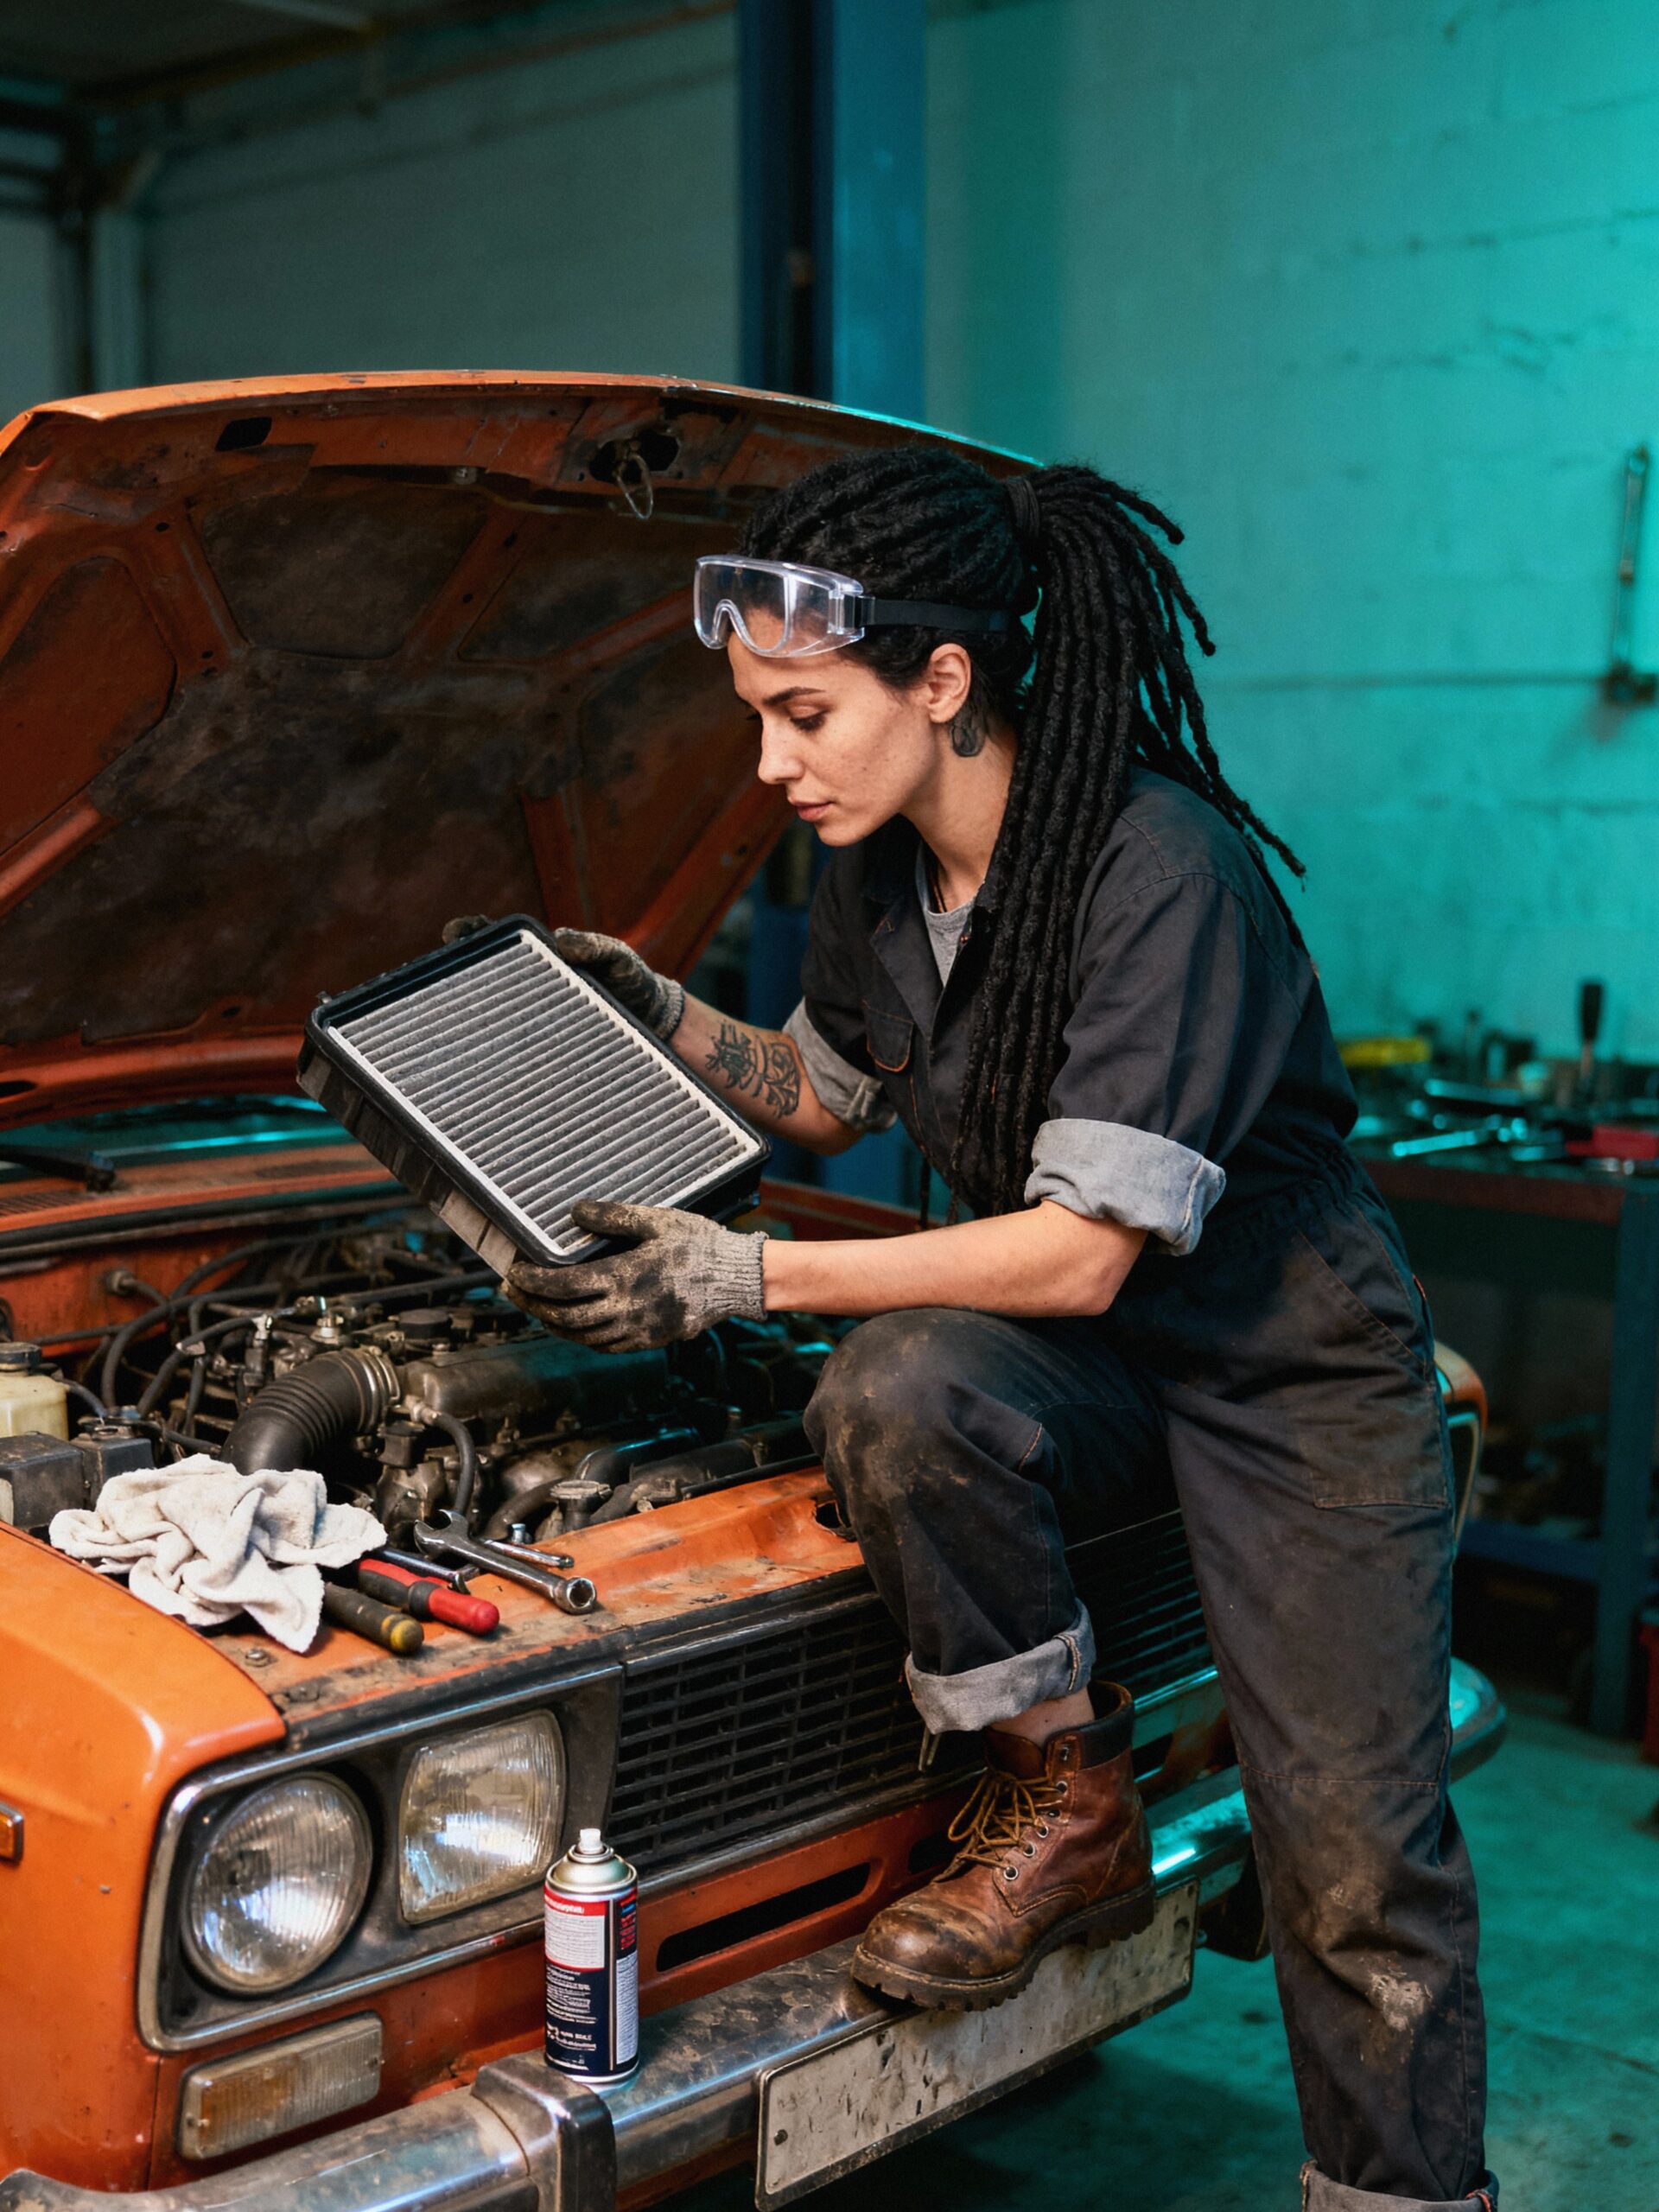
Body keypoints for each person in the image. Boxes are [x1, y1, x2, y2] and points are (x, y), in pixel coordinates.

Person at [505, 451, 1495, 2212]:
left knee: (1355, 1865)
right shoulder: (881, 872)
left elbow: (1087, 1252)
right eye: (758, 716)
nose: (769, 763)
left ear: (942, 680)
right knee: (900, 1390)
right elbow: (821, 1081)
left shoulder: (1155, 866)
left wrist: (744, 1276)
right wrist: (660, 1011)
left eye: (803, 713)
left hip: (1290, 1367)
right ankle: (1067, 1800)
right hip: (1103, 1362)